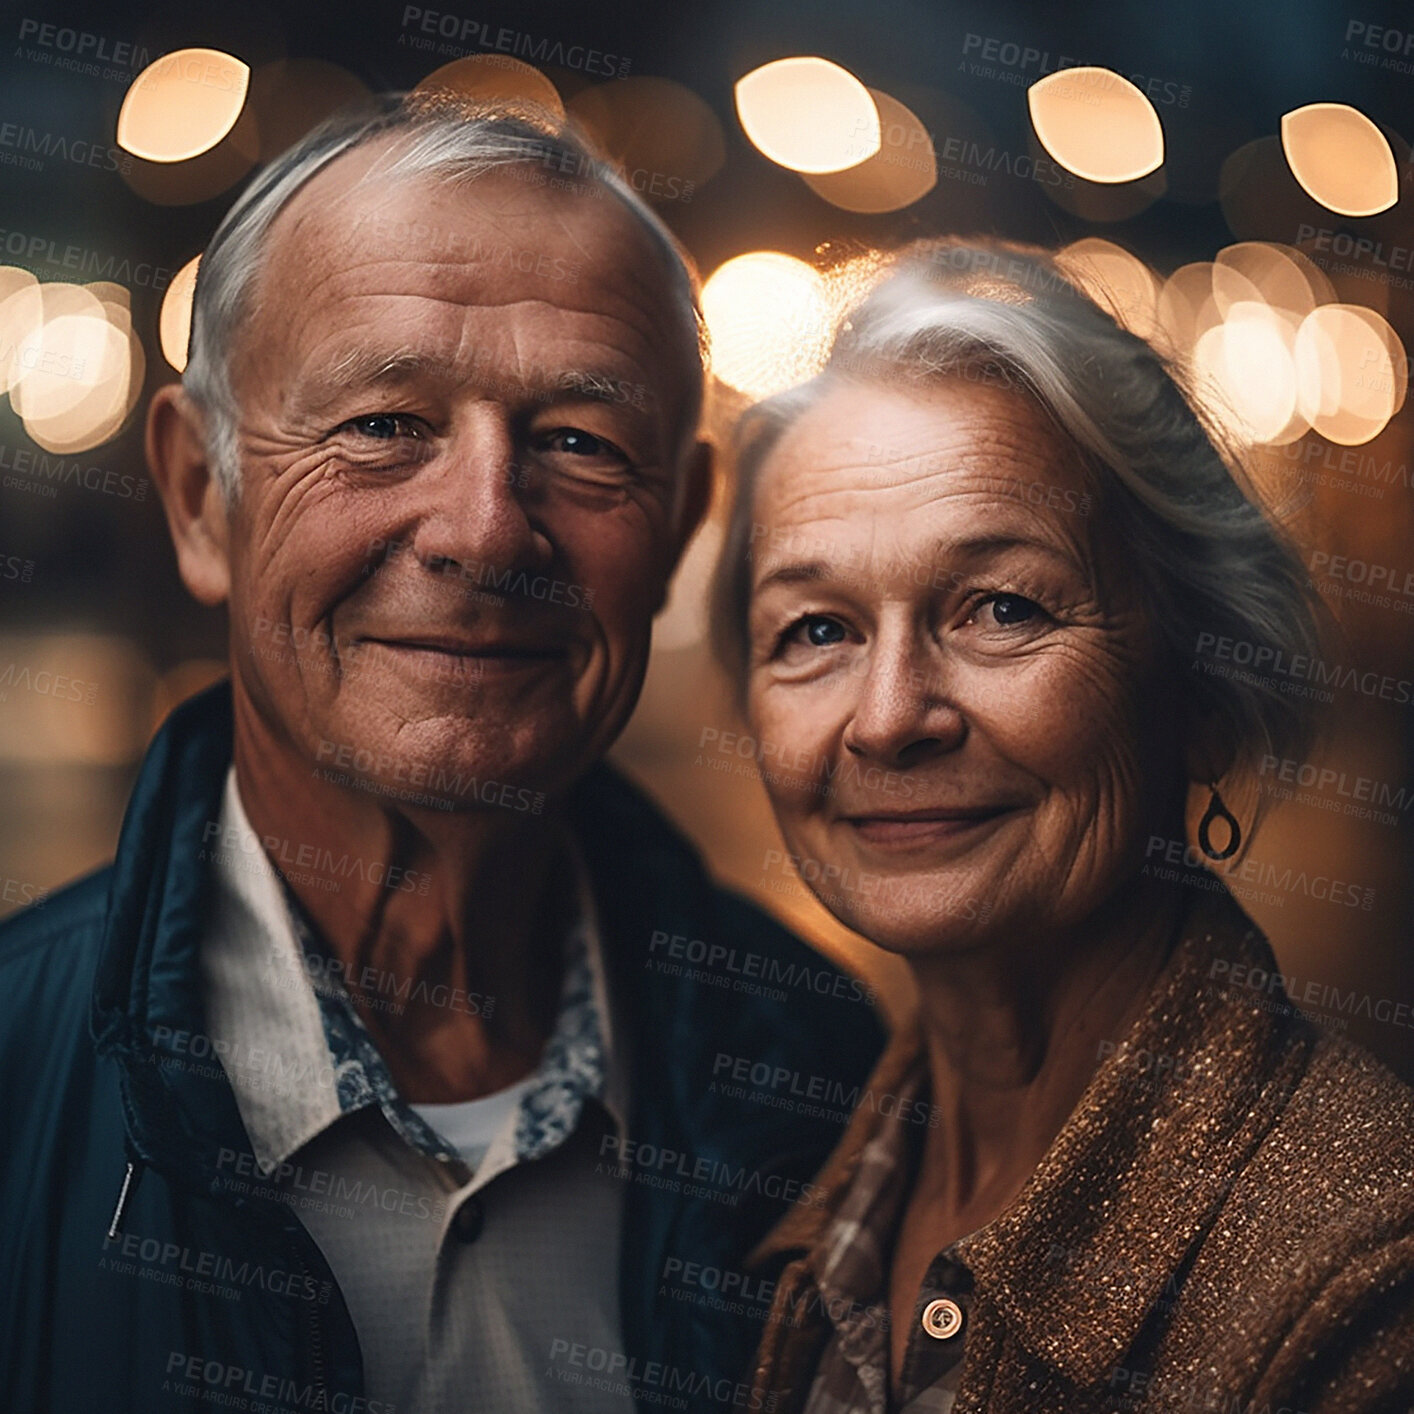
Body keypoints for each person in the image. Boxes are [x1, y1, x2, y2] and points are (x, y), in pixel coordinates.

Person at [0, 97, 883, 1414]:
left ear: (680, 525)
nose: (483, 528)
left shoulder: (830, 1074)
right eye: (382, 422)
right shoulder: (19, 1074)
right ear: (201, 499)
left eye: (579, 444)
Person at [712, 240, 1414, 1412]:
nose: (886, 719)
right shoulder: (795, 1193)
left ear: (1195, 689)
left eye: (999, 608)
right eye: (817, 630)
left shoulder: (1360, 1278)